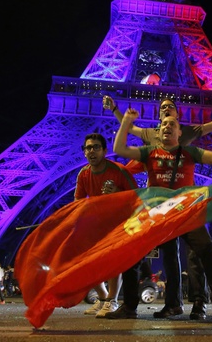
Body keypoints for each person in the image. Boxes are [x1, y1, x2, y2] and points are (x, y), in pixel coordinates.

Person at [104, 92, 212, 319]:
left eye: (172, 122)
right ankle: (134, 306)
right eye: (163, 121)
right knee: (135, 252)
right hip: (159, 211)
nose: (167, 124)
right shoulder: (150, 147)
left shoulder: (189, 149)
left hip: (186, 209)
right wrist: (123, 117)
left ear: (181, 131)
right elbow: (120, 148)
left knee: (206, 252)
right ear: (157, 129)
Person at [75, 133, 138, 318]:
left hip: (119, 223)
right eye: (88, 148)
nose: (91, 151)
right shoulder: (83, 174)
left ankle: (112, 300)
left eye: (95, 147)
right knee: (86, 259)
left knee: (112, 260)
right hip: (96, 223)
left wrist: (117, 192)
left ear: (104, 150)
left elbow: (137, 197)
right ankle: (103, 297)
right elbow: (78, 201)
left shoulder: (119, 171)